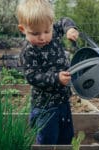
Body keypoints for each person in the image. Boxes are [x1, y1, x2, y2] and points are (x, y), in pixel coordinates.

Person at [16, 0, 79, 145]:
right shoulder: (28, 51)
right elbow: (32, 76)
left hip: (63, 101)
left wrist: (70, 29)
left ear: (51, 25)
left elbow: (64, 21)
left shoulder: (54, 30)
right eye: (35, 33)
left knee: (66, 137)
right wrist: (56, 78)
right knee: (48, 140)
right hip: (45, 107)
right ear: (22, 29)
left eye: (47, 31)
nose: (42, 37)